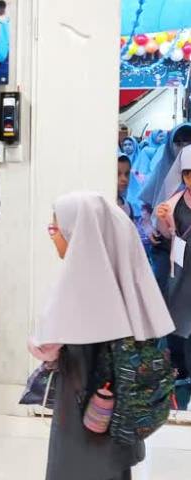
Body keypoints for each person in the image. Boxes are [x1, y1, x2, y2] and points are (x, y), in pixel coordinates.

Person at [30, 192, 174, 480]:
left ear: (78, 235)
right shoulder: (123, 283)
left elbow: (44, 345)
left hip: (80, 413)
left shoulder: (78, 286)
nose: (53, 236)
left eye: (55, 229)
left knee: (75, 466)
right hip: (115, 416)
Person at [140, 123, 191, 297]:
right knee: (161, 290)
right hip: (164, 245)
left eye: (188, 142)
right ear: (170, 145)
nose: (184, 147)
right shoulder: (162, 168)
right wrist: (148, 226)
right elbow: (146, 204)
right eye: (178, 143)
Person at [155, 146, 191, 379]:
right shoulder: (175, 202)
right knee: (179, 312)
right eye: (187, 174)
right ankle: (180, 366)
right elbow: (167, 232)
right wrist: (161, 219)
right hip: (182, 265)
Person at [117, 154, 133, 218]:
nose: (124, 179)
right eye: (118, 174)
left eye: (127, 174)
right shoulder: (100, 205)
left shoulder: (128, 207)